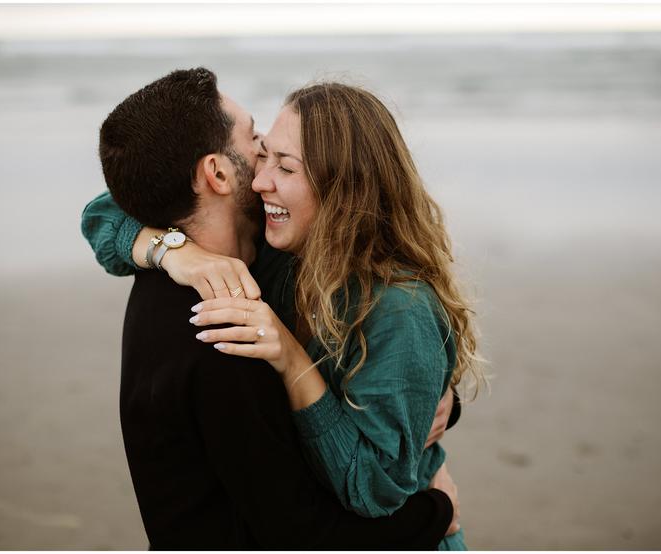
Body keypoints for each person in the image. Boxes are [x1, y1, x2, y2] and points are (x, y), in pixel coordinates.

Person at [92, 67, 460, 549]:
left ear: (342, 186)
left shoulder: (366, 295)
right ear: (217, 173)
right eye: (258, 147)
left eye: (283, 163)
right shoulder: (244, 291)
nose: (263, 177)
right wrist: (176, 251)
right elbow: (118, 200)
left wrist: (435, 392)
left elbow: (372, 476)